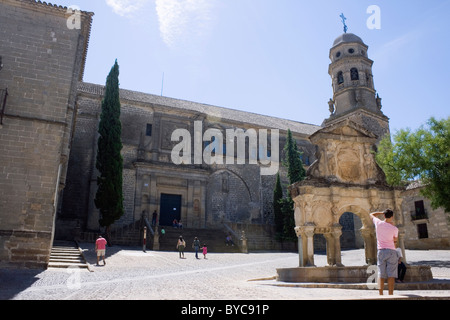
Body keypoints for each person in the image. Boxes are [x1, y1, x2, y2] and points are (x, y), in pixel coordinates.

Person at [370, 209, 399, 295]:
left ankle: (381, 294)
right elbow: (395, 240)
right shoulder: (394, 228)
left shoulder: (378, 223)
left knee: (380, 274)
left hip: (381, 251)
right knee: (391, 274)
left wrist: (381, 212)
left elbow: (371, 214)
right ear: (392, 217)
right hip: (391, 251)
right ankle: (390, 294)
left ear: (384, 216)